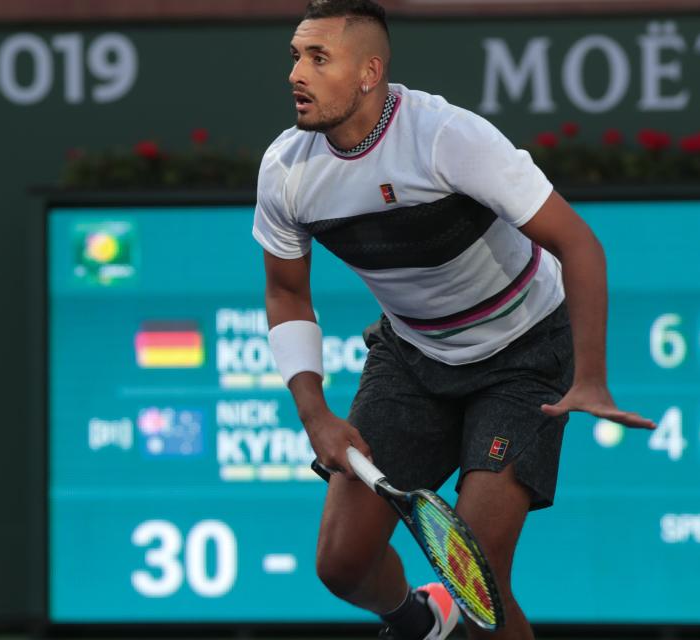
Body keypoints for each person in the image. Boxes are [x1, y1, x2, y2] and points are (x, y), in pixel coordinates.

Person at [253, 2, 656, 639]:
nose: (296, 73)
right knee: (342, 564)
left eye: (318, 58)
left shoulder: (447, 138)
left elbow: (578, 244)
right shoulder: (286, 171)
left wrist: (592, 377)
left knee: (478, 573)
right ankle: (420, 621)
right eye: (295, 57)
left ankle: (456, 610)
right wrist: (314, 414)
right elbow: (285, 294)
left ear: (368, 73)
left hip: (525, 356)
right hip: (412, 358)